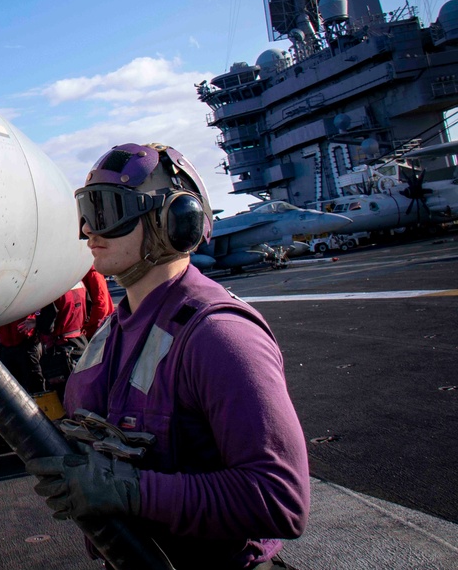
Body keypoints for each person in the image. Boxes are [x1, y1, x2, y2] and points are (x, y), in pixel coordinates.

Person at [26, 143, 309, 570]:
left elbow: (279, 499)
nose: (88, 230)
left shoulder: (218, 335)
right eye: (86, 210)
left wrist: (130, 491)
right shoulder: (112, 332)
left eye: (106, 210)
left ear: (173, 220)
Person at [35, 282, 87, 400]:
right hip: (80, 342)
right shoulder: (79, 283)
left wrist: (36, 321)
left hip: (61, 350)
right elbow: (90, 306)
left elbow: (47, 325)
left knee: (64, 395)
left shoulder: (53, 289)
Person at [0, 313, 46, 394]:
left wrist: (37, 322)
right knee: (12, 387)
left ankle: (42, 402)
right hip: (7, 345)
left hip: (27, 341)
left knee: (34, 381)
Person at [80, 265, 113, 340]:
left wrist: (91, 327)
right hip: (92, 326)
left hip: (96, 328)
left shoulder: (92, 273)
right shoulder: (87, 272)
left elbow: (101, 303)